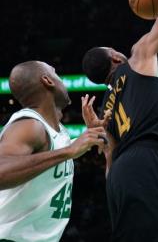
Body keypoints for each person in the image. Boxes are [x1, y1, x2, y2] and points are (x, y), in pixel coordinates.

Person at [81, 0, 158, 242]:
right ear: (115, 56)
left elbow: (109, 160)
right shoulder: (136, 58)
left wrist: (98, 132)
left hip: (119, 177)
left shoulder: (106, 106)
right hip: (145, 159)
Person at [0, 61, 107, 242]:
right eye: (55, 73)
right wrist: (70, 150)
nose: (62, 79)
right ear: (47, 80)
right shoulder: (29, 125)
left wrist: (90, 136)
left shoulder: (57, 132)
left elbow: (58, 151)